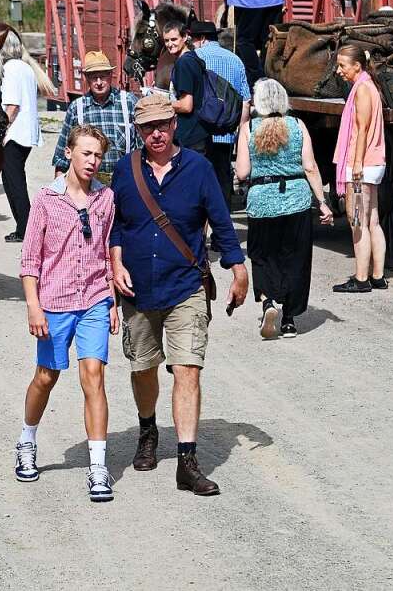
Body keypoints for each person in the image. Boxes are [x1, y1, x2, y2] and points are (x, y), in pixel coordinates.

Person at [110, 94, 248, 496]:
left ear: (174, 125)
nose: (156, 133)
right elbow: (114, 224)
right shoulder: (124, 170)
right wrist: (114, 261)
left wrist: (238, 269)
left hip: (186, 285)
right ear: (138, 131)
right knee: (143, 368)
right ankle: (148, 429)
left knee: (188, 368)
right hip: (137, 288)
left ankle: (187, 460)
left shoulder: (199, 169)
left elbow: (222, 223)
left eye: (162, 125)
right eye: (148, 127)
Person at [16, 125, 118, 502]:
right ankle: (27, 439)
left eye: (98, 156)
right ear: (70, 154)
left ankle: (97, 468)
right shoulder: (45, 200)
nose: (92, 161)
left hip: (93, 299)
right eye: (86, 153)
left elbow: (109, 252)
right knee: (46, 376)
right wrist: (33, 305)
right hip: (54, 303)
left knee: (94, 375)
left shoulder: (106, 200)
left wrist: (111, 301)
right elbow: (30, 259)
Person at [235, 79, 332, 337]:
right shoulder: (298, 125)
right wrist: (322, 202)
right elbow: (310, 167)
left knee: (263, 256)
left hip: (262, 203)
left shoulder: (249, 128)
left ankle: (268, 301)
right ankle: (289, 320)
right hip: (296, 201)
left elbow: (243, 172)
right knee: (295, 259)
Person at [331, 45, 387, 293]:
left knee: (357, 222)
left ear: (357, 66)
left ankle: (362, 278)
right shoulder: (367, 86)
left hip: (362, 165)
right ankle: (378, 275)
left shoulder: (363, 89)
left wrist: (355, 163)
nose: (339, 70)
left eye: (343, 65)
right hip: (372, 162)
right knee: (372, 220)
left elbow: (362, 129)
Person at [51, 50, 140, 184]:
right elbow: (61, 159)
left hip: (125, 181)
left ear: (111, 75)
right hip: (88, 185)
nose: (99, 82)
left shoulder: (128, 102)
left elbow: (143, 147)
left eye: (103, 76)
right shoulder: (77, 108)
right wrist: (59, 193)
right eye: (94, 77)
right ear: (86, 78)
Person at [190, 21, 251, 206]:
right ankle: (222, 228)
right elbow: (246, 102)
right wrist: (241, 136)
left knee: (197, 185)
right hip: (226, 135)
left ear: (201, 39)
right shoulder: (235, 60)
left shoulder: (193, 58)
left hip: (198, 135)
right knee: (222, 180)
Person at [0, 31, 41, 242]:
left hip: (13, 134)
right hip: (27, 131)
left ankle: (26, 228)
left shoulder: (8, 69)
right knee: (13, 180)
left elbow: (12, 106)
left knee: (14, 182)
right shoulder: (27, 68)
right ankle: (24, 225)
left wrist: (2, 132)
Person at [163, 22, 210, 154]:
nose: (169, 44)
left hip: (190, 136)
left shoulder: (184, 62)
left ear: (184, 37)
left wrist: (161, 103)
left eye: (174, 39)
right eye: (166, 40)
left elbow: (186, 105)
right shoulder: (193, 58)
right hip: (199, 132)